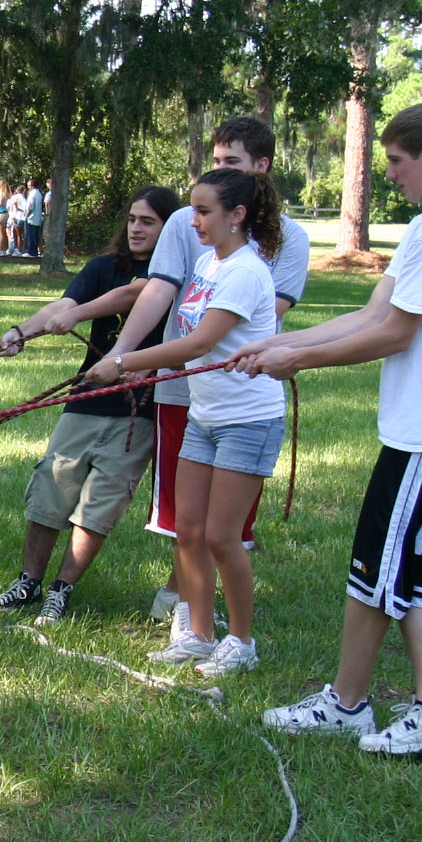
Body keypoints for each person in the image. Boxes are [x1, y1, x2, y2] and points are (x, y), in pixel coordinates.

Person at [244, 104, 422, 756]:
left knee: (381, 573)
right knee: (412, 574)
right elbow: (374, 310)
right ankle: (395, 707)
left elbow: (393, 333)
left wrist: (295, 358)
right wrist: (275, 341)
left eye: (395, 161)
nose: (389, 174)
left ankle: (383, 708)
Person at [101, 116, 310, 638]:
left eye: (201, 211)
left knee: (222, 536)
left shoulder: (244, 271)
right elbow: (175, 319)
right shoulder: (212, 265)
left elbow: (199, 343)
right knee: (188, 531)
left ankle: (240, 641)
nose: (190, 221)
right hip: (204, 414)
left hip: (246, 417)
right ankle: (196, 634)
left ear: (236, 215)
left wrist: (123, 362)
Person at [0, 185, 179, 624]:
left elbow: (132, 295)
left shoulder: (177, 273)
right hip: (88, 400)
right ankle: (28, 583)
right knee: (52, 487)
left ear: (171, 228)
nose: (136, 228)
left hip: (139, 411)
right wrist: (21, 332)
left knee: (101, 504)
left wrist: (78, 315)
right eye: (131, 219)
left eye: (148, 221)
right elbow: (64, 303)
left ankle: (61, 590)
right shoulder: (105, 266)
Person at [23, 178, 44, 259]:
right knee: (35, 235)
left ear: (32, 185)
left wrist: (26, 216)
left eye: (28, 185)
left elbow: (30, 207)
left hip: (31, 218)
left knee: (30, 235)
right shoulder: (39, 193)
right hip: (37, 218)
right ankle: (34, 251)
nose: (28, 187)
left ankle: (31, 252)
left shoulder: (32, 194)